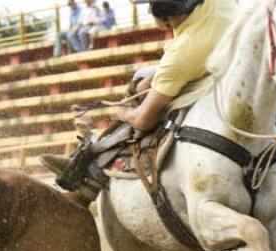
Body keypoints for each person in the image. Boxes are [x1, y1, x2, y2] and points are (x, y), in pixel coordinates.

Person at [43, 0, 237, 183]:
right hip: (230, 70)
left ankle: (91, 175)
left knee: (138, 92)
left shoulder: (181, 54)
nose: (148, 11)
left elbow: (144, 120)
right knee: (144, 80)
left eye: (151, 5)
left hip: (205, 81)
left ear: (166, 16)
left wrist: (123, 112)